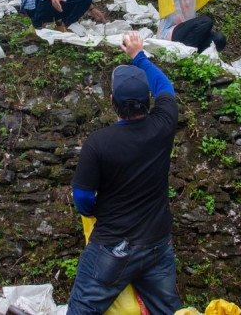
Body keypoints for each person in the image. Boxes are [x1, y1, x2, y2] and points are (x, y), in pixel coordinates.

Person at [68, 31, 181, 314]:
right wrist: (138, 56)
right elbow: (165, 85)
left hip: (112, 247)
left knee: (82, 309)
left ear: (111, 100)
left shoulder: (98, 143)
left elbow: (82, 197)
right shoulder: (163, 125)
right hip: (157, 244)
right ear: (148, 99)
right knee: (166, 311)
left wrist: (97, 211)